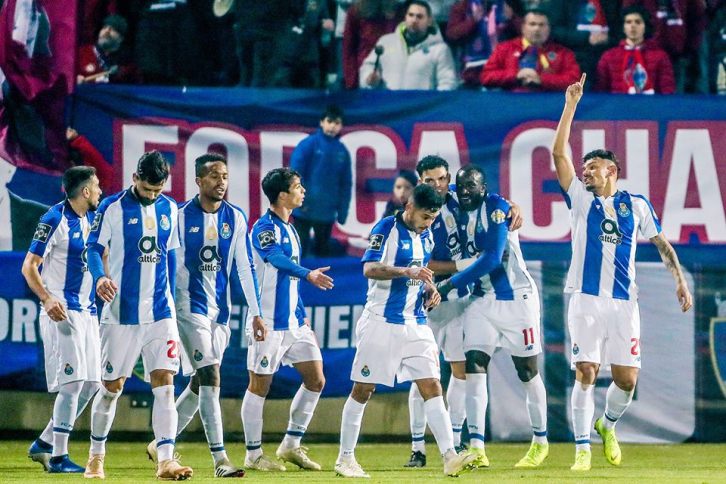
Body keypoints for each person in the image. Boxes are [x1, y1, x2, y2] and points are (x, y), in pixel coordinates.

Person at [552, 74, 693, 471]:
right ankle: (582, 450)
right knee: (585, 370)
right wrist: (570, 105)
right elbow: (559, 154)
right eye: (584, 168)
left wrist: (679, 281)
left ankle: (607, 425)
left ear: (612, 170)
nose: (586, 172)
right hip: (585, 297)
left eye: (593, 167)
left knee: (627, 379)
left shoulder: (637, 205)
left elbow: (662, 245)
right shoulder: (580, 200)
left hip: (623, 302)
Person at [334, 183, 476, 478]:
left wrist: (430, 288)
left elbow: (421, 271)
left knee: (432, 385)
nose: (429, 223)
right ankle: (345, 458)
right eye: (425, 217)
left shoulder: (425, 235)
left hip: (416, 323)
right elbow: (370, 269)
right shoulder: (386, 228)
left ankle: (449, 456)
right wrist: (405, 272)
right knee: (363, 390)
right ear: (409, 207)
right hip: (381, 322)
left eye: (433, 218)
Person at [144, 154, 262, 477]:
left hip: (219, 313)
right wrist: (163, 307)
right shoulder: (180, 217)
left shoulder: (235, 217)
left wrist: (256, 312)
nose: (220, 182)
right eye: (213, 176)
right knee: (211, 375)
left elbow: (244, 267)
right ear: (198, 180)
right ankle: (220, 460)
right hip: (187, 309)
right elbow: (165, 263)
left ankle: (160, 443)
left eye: (224, 176)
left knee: (199, 383)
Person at [83, 151, 193, 480]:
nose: (152, 195)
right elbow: (92, 249)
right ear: (135, 179)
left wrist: (172, 299)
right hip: (122, 312)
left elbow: (170, 255)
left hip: (160, 312)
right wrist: (99, 278)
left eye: (158, 190)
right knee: (112, 387)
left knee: (166, 383)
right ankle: (96, 456)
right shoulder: (112, 208)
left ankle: (165, 460)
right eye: (147, 189)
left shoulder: (169, 208)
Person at [436, 165, 549, 468]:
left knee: (527, 371)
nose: (464, 191)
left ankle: (540, 442)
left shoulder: (497, 207)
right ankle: (477, 447)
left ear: (483, 188)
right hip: (481, 300)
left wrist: (448, 285)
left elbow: (492, 259)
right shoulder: (452, 203)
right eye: (460, 186)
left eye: (471, 186)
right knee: (474, 366)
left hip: (516, 300)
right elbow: (434, 192)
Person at [242, 167, 334, 471]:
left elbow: (290, 281)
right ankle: (253, 455)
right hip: (267, 321)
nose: (303, 191)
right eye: (297, 186)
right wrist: (308, 274)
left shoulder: (291, 229)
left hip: (294, 323)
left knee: (316, 379)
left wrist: (303, 316)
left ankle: (291, 444)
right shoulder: (263, 227)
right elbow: (276, 259)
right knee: (259, 385)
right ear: (282, 195)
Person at [23, 167, 103, 473]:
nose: (100, 191)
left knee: (92, 383)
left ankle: (44, 443)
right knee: (73, 382)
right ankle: (58, 457)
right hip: (62, 310)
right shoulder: (53, 219)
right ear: (85, 191)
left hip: (88, 312)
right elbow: (29, 266)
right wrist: (47, 299)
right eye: (96, 186)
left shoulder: (92, 220)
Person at [291, 105, 352, 257]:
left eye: (337, 123)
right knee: (298, 251)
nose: (332, 126)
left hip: (326, 213)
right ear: (321, 122)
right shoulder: (308, 145)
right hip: (304, 211)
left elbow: (346, 183)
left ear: (341, 126)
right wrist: (299, 201)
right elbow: (295, 175)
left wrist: (342, 211)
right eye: (329, 121)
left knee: (323, 252)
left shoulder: (342, 151)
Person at [359, 0, 458, 89]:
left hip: (423, 103)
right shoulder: (386, 42)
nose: (414, 20)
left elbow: (448, 83)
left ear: (429, 21)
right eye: (411, 15)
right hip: (388, 102)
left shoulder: (440, 49)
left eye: (419, 16)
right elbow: (368, 66)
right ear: (405, 17)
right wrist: (368, 78)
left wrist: (434, 102)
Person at [481, 9, 581, 91]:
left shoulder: (564, 53)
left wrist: (541, 79)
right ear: (523, 28)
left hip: (548, 104)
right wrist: (516, 75)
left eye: (542, 25)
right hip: (510, 103)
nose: (537, 29)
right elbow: (486, 77)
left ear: (549, 29)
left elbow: (575, 82)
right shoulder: (504, 49)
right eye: (532, 24)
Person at [595, 6, 675, 94]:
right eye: (628, 22)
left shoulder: (660, 57)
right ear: (623, 27)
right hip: (617, 102)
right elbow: (600, 91)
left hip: (650, 102)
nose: (633, 26)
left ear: (645, 26)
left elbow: (667, 90)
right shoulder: (608, 56)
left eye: (638, 22)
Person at [342, 0, 403, 89]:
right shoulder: (356, 11)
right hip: (364, 73)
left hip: (392, 72)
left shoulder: (400, 10)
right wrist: (351, 82)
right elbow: (348, 49)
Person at [76, 14, 141, 84]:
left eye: (113, 29)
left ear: (121, 39)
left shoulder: (127, 64)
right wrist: (74, 79)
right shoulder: (80, 53)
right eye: (104, 27)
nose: (107, 31)